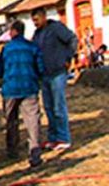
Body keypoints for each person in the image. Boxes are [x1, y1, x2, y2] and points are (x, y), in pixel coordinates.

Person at [0, 20, 44, 168]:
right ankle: (35, 152)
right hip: (29, 86)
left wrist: (1, 81)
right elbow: (40, 67)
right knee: (32, 120)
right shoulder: (32, 47)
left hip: (10, 88)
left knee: (11, 120)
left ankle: (12, 149)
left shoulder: (6, 49)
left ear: (13, 31)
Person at [31, 9, 78, 150]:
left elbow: (72, 39)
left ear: (44, 17)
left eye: (37, 19)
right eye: (33, 20)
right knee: (49, 107)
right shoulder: (37, 34)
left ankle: (63, 137)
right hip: (44, 74)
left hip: (58, 72)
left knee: (58, 106)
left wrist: (68, 58)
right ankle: (53, 138)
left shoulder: (56, 28)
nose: (35, 23)